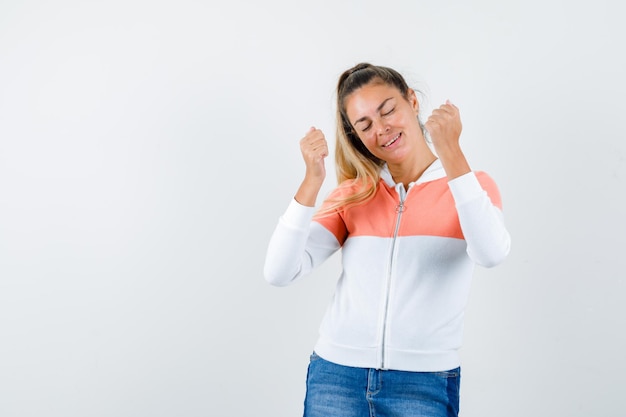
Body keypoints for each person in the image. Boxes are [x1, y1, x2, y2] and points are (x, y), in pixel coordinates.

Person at [263, 62, 511, 417]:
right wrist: (311, 182)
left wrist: (453, 154)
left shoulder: (470, 186)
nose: (381, 129)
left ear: (412, 100)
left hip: (422, 383)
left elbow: (491, 253)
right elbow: (280, 271)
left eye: (388, 110)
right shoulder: (354, 193)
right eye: (364, 125)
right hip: (336, 377)